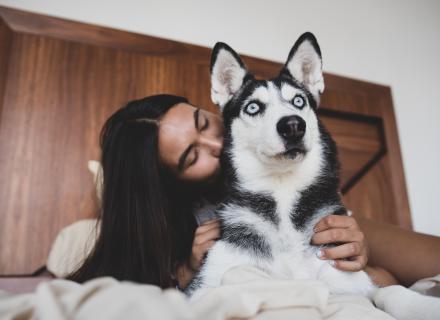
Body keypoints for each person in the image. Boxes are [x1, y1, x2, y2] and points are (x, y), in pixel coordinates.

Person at [68, 94, 440, 289]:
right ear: (172, 184)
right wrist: (184, 274)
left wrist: (358, 246)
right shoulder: (190, 233)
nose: (218, 143)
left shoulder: (262, 127)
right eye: (191, 156)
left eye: (204, 122)